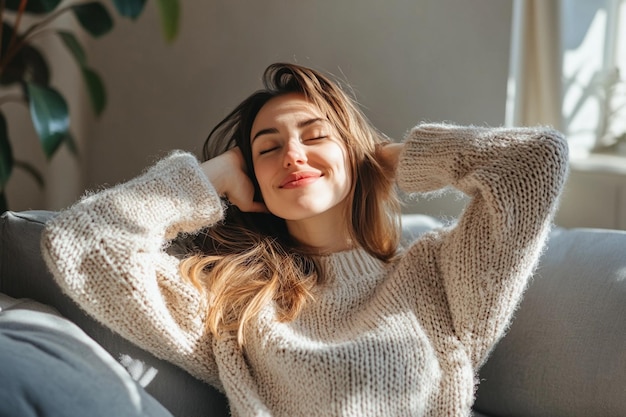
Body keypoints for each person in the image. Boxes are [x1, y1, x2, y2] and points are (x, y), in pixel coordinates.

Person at [41, 62, 569, 417]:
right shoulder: (233, 303)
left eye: (316, 136)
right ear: (250, 178)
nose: (292, 154)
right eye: (267, 149)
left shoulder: (437, 275)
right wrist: (206, 178)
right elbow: (81, 241)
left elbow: (535, 161)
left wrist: (391, 158)